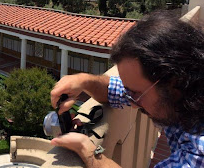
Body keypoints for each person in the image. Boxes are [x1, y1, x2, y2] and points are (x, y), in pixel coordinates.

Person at [49, 14, 204, 167]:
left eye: (136, 94)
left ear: (174, 82)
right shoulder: (182, 91)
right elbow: (114, 90)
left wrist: (89, 152)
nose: (133, 104)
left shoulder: (200, 148)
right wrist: (83, 81)